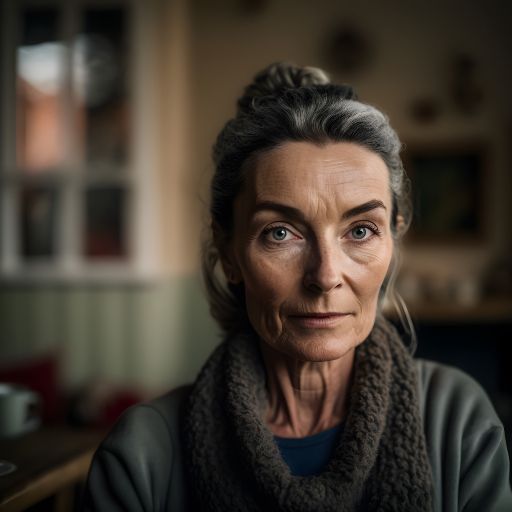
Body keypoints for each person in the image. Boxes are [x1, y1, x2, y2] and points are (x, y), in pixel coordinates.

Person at [82, 63, 512, 512]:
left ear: (393, 235)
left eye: (361, 230)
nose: (325, 276)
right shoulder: (144, 455)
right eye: (281, 233)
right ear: (229, 251)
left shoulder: (458, 423)